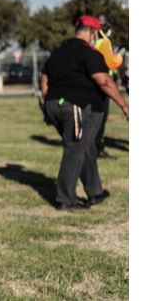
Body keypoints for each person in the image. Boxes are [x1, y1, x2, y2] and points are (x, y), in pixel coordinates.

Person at [40, 15, 128, 211]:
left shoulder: (59, 51)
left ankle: (95, 192)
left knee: (84, 147)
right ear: (93, 32)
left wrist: (48, 101)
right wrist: (124, 105)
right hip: (76, 106)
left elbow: (44, 76)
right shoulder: (89, 53)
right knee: (75, 151)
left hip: (55, 104)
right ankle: (66, 199)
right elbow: (104, 81)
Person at [92, 14, 118, 159]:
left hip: (98, 81)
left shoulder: (97, 40)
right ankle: (97, 148)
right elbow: (108, 62)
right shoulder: (102, 41)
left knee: (99, 117)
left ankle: (96, 146)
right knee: (100, 117)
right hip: (102, 82)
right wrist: (116, 60)